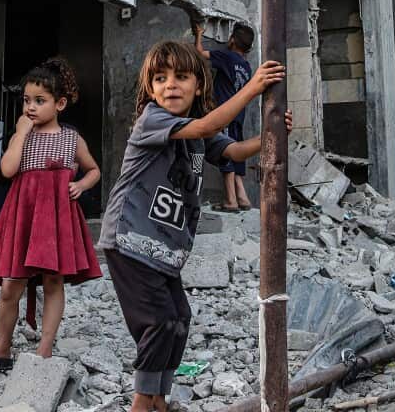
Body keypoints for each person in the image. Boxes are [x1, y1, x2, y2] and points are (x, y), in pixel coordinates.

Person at [97, 41, 289, 412]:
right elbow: (207, 123)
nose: (170, 85)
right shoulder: (153, 120)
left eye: (182, 77)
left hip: (164, 249)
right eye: (160, 78)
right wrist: (252, 88)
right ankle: (142, 402)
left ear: (199, 86)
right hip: (130, 239)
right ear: (150, 89)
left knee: (179, 319)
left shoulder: (198, 135)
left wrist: (273, 135)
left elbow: (231, 151)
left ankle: (158, 398)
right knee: (158, 320)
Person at [0, 58, 102, 371]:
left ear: (60, 104)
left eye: (39, 101)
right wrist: (20, 133)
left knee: (54, 282)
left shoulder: (71, 139)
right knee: (9, 286)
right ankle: (2, 347)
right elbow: (7, 170)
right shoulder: (23, 136)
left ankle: (44, 349)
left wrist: (81, 184)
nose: (31, 107)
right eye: (27, 100)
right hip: (24, 217)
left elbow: (94, 169)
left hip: (56, 219)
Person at [193, 21, 255, 211]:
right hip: (238, 116)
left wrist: (199, 34)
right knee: (236, 153)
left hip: (224, 113)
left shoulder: (227, 56)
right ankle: (243, 198)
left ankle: (231, 201)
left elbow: (199, 54)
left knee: (225, 153)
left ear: (232, 41)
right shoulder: (246, 67)